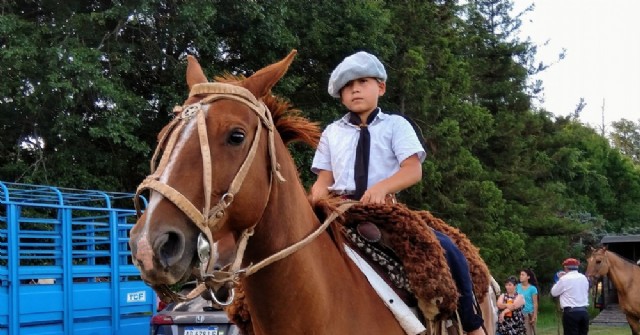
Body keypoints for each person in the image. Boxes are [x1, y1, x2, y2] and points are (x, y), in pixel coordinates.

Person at [310, 51, 485, 335]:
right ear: (341, 95)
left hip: (385, 211)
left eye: (362, 81)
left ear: (380, 87)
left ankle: (473, 324)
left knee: (447, 248)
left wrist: (381, 188)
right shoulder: (332, 132)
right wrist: (315, 200)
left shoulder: (395, 125)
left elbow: (412, 170)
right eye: (347, 86)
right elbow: (323, 179)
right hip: (339, 211)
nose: (354, 89)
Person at [550, 258, 590, 335]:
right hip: (584, 311)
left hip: (571, 312)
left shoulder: (564, 279)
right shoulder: (584, 278)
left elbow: (554, 292)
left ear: (565, 267)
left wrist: (558, 280)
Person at [516, 269, 539, 335]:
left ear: (528, 277)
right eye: (520, 275)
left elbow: (535, 303)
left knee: (528, 332)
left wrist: (534, 315)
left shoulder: (532, 288)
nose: (520, 276)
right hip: (518, 313)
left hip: (529, 314)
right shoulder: (517, 287)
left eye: (523, 275)